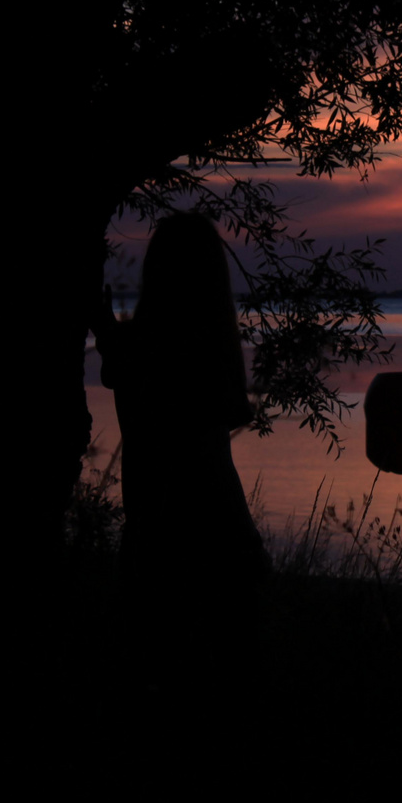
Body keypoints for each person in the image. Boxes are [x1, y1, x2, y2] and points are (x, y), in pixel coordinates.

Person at [93, 212, 263, 672]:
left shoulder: (138, 350)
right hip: (218, 539)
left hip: (163, 542)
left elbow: (125, 375)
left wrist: (109, 335)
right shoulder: (211, 357)